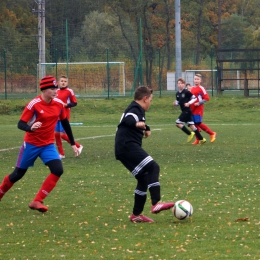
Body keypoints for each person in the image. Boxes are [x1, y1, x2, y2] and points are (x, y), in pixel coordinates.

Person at [0, 75, 79, 212]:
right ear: (43, 90)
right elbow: (20, 124)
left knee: (58, 170)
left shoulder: (59, 104)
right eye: (52, 88)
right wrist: (30, 128)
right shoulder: (34, 104)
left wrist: (73, 143)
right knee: (18, 174)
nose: (55, 91)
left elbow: (65, 123)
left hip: (48, 145)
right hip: (31, 145)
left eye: (56, 88)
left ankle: (37, 201)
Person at [115, 86, 174, 223]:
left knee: (143, 178)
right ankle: (156, 203)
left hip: (123, 148)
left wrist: (145, 127)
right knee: (153, 167)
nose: (150, 103)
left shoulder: (136, 109)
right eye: (150, 100)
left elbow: (135, 121)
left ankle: (136, 215)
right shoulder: (135, 109)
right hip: (127, 146)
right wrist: (137, 124)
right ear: (145, 98)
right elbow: (129, 119)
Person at [55, 75, 83, 159]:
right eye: (62, 81)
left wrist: (66, 105)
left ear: (67, 82)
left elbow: (74, 102)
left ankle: (78, 146)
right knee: (56, 135)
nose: (63, 83)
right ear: (59, 82)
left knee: (63, 135)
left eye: (65, 81)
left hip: (65, 116)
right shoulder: (56, 91)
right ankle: (61, 154)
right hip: (56, 116)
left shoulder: (69, 91)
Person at [174, 77, 206, 144]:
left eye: (181, 83)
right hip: (184, 111)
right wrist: (176, 103)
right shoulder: (177, 94)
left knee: (177, 123)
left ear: (184, 84)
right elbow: (178, 102)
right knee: (192, 126)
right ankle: (202, 139)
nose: (179, 85)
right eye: (178, 83)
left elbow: (194, 98)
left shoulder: (186, 92)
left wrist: (189, 103)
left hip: (187, 111)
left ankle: (189, 134)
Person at [190, 74, 217, 145]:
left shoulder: (201, 88)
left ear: (200, 80)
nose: (196, 80)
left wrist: (199, 103)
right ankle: (198, 139)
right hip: (192, 109)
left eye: (197, 79)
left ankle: (212, 133)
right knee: (194, 124)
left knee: (198, 123)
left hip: (198, 109)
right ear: (193, 80)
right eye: (195, 79)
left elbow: (206, 98)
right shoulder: (192, 88)